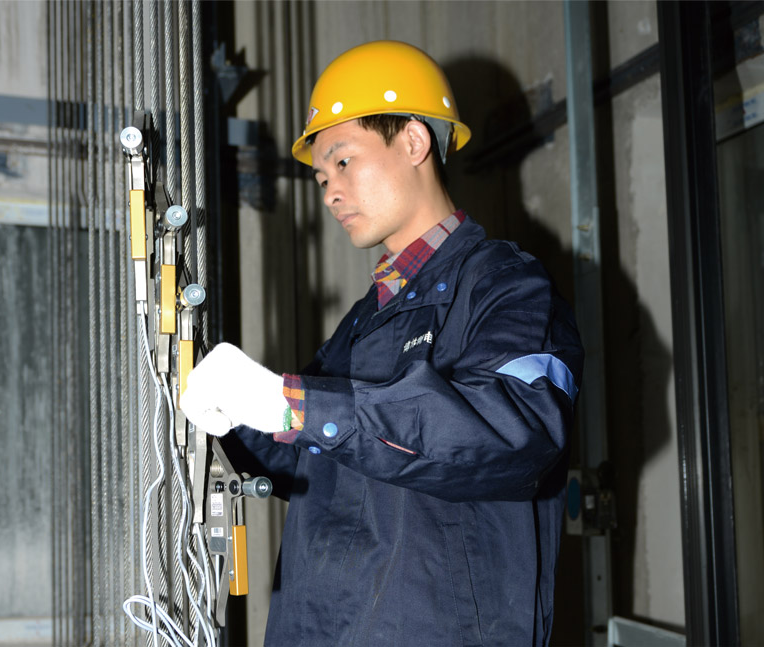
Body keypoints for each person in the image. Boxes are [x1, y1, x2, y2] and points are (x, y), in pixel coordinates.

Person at [181, 40, 583, 646]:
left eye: (343, 162)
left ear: (414, 142)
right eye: (322, 177)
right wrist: (230, 411)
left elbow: (516, 432)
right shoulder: (369, 316)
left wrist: (294, 406)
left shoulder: (506, 284)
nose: (329, 192)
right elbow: (312, 459)